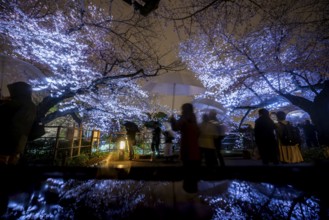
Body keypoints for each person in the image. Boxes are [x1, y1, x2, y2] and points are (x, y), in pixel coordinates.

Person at [0, 82, 36, 165]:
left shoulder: (13, 104)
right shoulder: (32, 105)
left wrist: (4, 103)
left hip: (5, 139)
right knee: (13, 160)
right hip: (21, 140)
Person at [170, 103, 201, 193]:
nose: (182, 110)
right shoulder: (194, 118)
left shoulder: (185, 117)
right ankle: (193, 186)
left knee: (187, 167)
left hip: (187, 145)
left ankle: (188, 186)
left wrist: (172, 121)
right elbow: (198, 132)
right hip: (194, 145)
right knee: (193, 167)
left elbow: (176, 127)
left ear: (186, 109)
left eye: (183, 109)